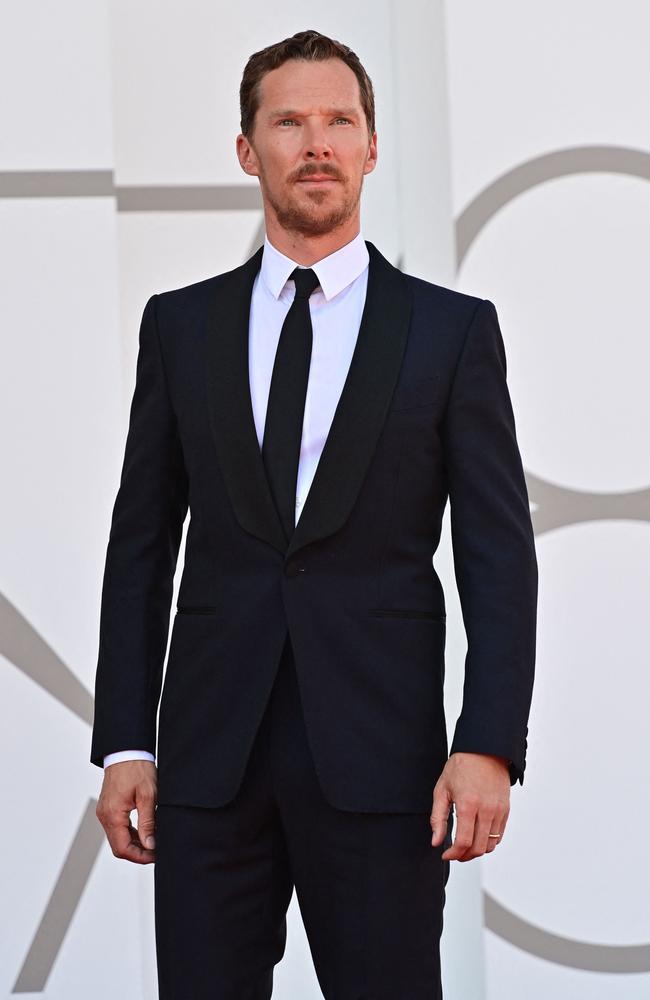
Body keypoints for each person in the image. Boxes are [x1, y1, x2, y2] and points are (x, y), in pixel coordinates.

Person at [91, 28, 537, 1000]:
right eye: (287, 122)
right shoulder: (181, 325)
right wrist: (127, 740)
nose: (316, 143)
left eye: (338, 120)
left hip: (384, 763)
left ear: (371, 147)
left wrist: (488, 740)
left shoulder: (448, 332)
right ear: (247, 150)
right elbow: (141, 542)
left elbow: (495, 556)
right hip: (209, 767)